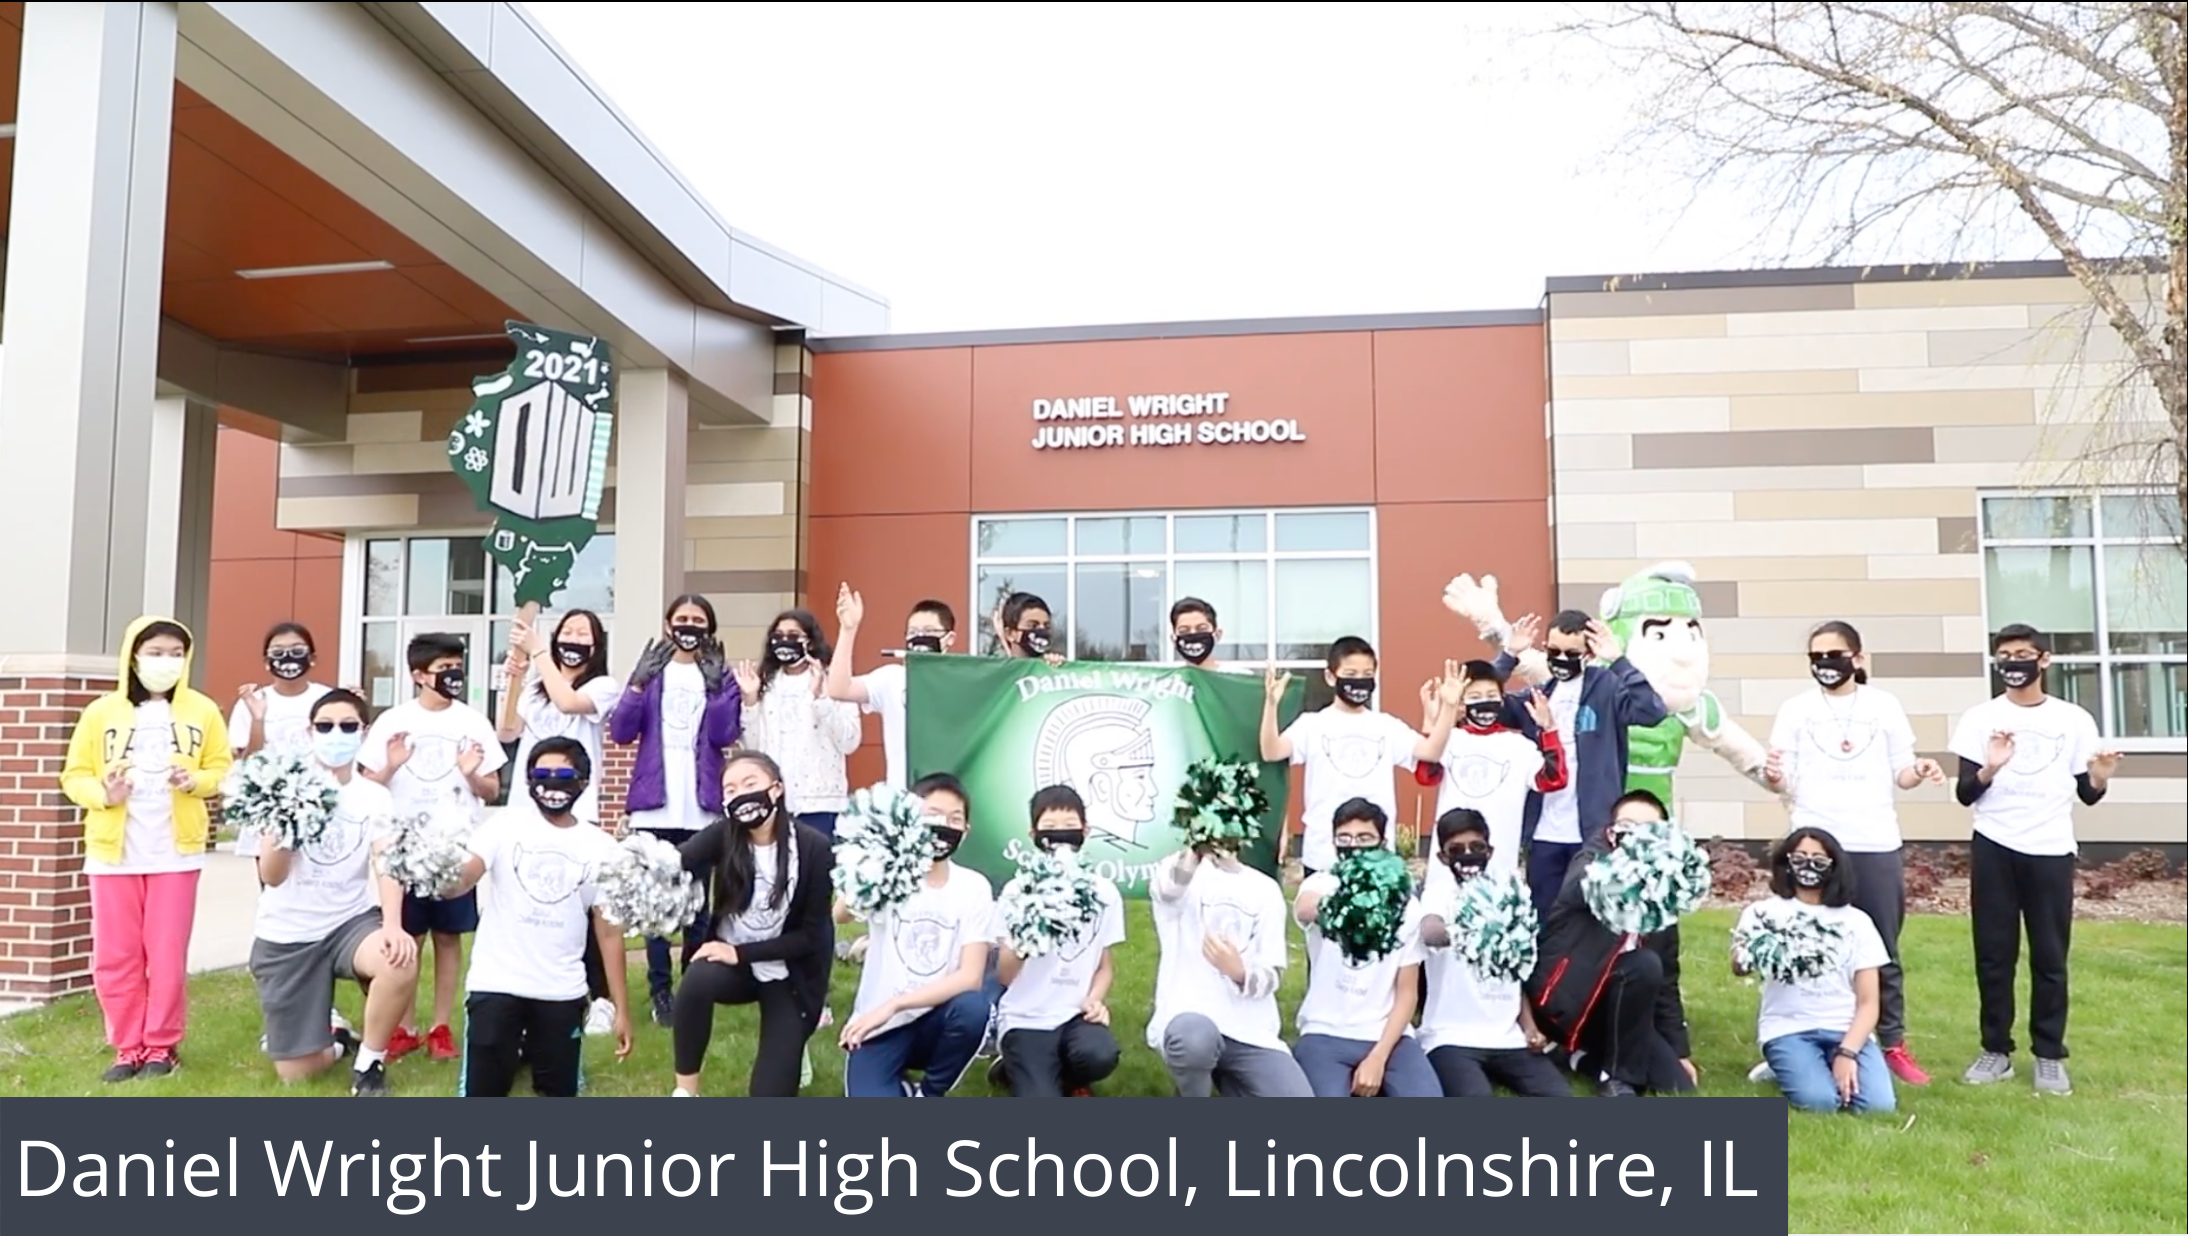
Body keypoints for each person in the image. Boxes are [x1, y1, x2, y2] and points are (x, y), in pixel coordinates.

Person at [1761, 620, 1945, 1086]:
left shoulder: (1884, 706)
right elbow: (1783, 777)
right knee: (1804, 943)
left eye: (1834, 654)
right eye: (1816, 657)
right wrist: (1774, 774)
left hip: (1875, 840)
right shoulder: (1796, 709)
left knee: (1881, 946)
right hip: (1814, 842)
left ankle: (1891, 1044)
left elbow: (1901, 771)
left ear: (1858, 658)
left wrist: (1919, 771)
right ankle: (1794, 1039)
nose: (1825, 664)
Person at [61, 616, 233, 1082]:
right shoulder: (101, 712)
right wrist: (104, 795)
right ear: (133, 655)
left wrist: (194, 781)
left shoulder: (201, 710)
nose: (166, 662)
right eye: (155, 653)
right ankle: (126, 1047)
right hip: (113, 855)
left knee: (166, 954)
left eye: (175, 654)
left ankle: (162, 1046)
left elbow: (221, 766)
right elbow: (73, 775)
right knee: (115, 956)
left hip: (176, 854)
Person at [1951, 623, 2119, 1097]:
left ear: (2044, 661)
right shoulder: (1980, 718)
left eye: (2023, 654)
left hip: (2049, 849)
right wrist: (1991, 766)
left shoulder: (2073, 720)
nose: (2013, 663)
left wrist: (2101, 776)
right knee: (1994, 954)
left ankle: (2048, 1055)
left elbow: (2088, 793)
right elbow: (1965, 793)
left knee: (2049, 956)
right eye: (2005, 655)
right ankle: (1995, 1051)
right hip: (1994, 846)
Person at [440, 738, 633, 1096]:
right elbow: (465, 876)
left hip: (562, 991)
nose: (553, 783)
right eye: (542, 774)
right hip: (496, 985)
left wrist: (621, 1007)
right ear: (528, 781)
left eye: (564, 775)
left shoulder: (602, 846)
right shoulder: (504, 825)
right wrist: (438, 871)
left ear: (583, 781)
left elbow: (608, 932)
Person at [247, 690, 417, 1095]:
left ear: (364, 732)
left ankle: (369, 1064)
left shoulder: (375, 795)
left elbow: (388, 863)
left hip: (349, 924)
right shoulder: (285, 788)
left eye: (347, 726)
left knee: (399, 959)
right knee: (297, 1073)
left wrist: (393, 925)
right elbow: (272, 876)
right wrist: (287, 826)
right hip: (288, 934)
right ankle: (338, 1036)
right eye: (325, 726)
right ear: (310, 731)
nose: (335, 734)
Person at [357, 632, 506, 1061]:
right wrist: (393, 765)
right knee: (407, 938)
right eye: (444, 669)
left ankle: (441, 1027)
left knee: (447, 938)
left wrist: (472, 774)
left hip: (454, 851)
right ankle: (403, 1027)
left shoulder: (473, 721)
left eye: (457, 666)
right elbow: (367, 787)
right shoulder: (392, 722)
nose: (453, 675)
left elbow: (491, 788)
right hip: (402, 852)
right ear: (419, 675)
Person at [608, 594, 744, 1027]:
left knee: (698, 904)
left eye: (698, 620)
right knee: (655, 905)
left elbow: (725, 735)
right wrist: (635, 686)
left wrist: (718, 690)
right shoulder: (651, 672)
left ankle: (694, 984)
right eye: (682, 619)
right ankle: (660, 991)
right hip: (654, 807)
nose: (689, 625)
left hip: (701, 806)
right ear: (668, 625)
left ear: (710, 628)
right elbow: (622, 731)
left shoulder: (720, 674)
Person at [670, 751, 836, 1097]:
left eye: (750, 783)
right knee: (697, 977)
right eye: (730, 789)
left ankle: (791, 1050)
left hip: (789, 975)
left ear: (776, 789)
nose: (740, 794)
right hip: (735, 972)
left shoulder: (815, 848)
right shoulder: (723, 835)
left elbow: (809, 937)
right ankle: (686, 1093)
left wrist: (739, 953)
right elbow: (674, 864)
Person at [497, 608, 622, 1036]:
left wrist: (537, 655)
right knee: (532, 904)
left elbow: (569, 702)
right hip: (527, 811)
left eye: (582, 633)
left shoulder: (603, 687)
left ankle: (601, 998)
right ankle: (533, 994)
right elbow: (508, 730)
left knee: (586, 911)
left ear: (596, 644)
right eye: (566, 630)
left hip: (577, 813)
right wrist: (513, 677)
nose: (572, 638)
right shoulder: (537, 684)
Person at [1495, 611, 1669, 916]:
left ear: (1588, 653)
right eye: (1553, 651)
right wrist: (1509, 654)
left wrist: (1618, 660)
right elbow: (1483, 701)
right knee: (1546, 920)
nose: (1561, 659)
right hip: (1544, 833)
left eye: (1571, 653)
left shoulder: (1607, 688)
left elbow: (1652, 710)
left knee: (1593, 919)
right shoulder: (1539, 695)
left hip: (1593, 832)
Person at [1526, 790, 1697, 1097]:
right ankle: (1617, 1079)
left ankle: (1579, 1059)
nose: (1635, 837)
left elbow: (1668, 980)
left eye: (1647, 831)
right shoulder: (1591, 862)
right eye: (1626, 826)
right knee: (1644, 963)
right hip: (1564, 1002)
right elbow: (1585, 884)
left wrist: (1678, 1050)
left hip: (1621, 1012)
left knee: (1677, 1084)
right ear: (1611, 830)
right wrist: (1633, 866)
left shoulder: (1663, 894)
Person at [837, 773, 997, 1097]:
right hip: (878, 1026)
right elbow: (839, 914)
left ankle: (930, 1092)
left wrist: (896, 1004)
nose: (943, 825)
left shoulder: (973, 887)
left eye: (954, 819)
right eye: (932, 815)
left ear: (965, 832)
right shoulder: (889, 872)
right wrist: (874, 861)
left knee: (973, 1008)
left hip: (935, 1019)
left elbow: (970, 977)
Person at [1259, 640, 1463, 877]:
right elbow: (1271, 751)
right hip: (1324, 855)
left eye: (1367, 674)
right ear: (1330, 676)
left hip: (1379, 855)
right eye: (1350, 673)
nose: (1359, 680)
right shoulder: (1312, 724)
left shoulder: (1386, 725)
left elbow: (1430, 752)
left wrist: (1449, 708)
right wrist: (1271, 705)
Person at [1734, 828, 1897, 1115]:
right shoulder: (1763, 913)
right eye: (1800, 858)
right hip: (1788, 1028)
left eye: (1819, 859)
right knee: (1820, 1103)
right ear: (1786, 862)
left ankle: (1813, 1065)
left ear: (1835, 866)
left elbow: (1870, 1002)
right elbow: (1738, 965)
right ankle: (1782, 1065)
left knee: (1878, 1107)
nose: (1808, 866)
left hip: (1844, 1028)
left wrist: (1847, 1052)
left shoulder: (1857, 922)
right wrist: (1750, 954)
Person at [1148, 825, 1313, 1098]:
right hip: (1190, 1021)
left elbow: (1272, 973)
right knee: (1194, 1043)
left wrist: (1240, 973)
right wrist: (1195, 849)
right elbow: (1168, 890)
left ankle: (1233, 1083)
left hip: (1249, 1029)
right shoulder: (1180, 874)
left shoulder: (1265, 889)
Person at [1290, 799, 1440, 1098]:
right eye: (1344, 839)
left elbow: (1407, 992)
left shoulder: (1406, 904)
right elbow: (1306, 909)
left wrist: (1378, 1057)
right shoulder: (1322, 883)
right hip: (1324, 1030)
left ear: (1382, 843)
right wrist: (1352, 900)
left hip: (1386, 1035)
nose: (1354, 847)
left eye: (1364, 839)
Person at [1417, 809, 1569, 1098]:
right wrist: (1476, 931)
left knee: (1559, 1096)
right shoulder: (1439, 893)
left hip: (1508, 1038)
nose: (1468, 854)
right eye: (1457, 850)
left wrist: (1529, 1027)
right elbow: (1430, 931)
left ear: (1490, 851)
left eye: (1477, 847)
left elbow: (1513, 973)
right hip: (1450, 1037)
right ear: (1442, 857)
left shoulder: (1510, 895)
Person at [994, 786, 1126, 1097]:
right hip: (1026, 1018)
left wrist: (1094, 1000)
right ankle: (1015, 1064)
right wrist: (1027, 939)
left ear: (1085, 830)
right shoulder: (1017, 891)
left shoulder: (1104, 892)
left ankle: (1068, 1074)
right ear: (1033, 833)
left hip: (1074, 1016)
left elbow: (1104, 966)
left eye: (1069, 826)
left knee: (1100, 1056)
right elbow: (1004, 974)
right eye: (1050, 829)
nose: (1061, 835)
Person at [1417, 659, 1567, 904]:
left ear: (1502, 699)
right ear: (1463, 702)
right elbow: (1426, 775)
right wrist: (1432, 725)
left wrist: (1548, 729)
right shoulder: (1450, 739)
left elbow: (1554, 780)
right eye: (1475, 696)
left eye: (1491, 694)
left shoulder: (1518, 746)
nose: (1484, 702)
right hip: (1448, 861)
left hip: (1499, 861)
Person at [734, 609, 862, 840]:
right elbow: (753, 748)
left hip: (821, 806)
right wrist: (750, 701)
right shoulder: (765, 684)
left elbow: (850, 741)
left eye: (793, 635)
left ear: (810, 642)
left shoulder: (834, 680)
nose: (785, 642)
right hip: (772, 803)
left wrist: (821, 699)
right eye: (779, 635)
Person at [824, 586, 959, 791]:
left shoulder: (964, 678)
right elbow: (838, 689)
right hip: (902, 798)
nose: (920, 636)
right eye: (913, 632)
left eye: (929, 631)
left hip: (950, 797)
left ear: (949, 638)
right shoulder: (891, 678)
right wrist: (848, 629)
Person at [229, 622, 335, 759]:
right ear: (267, 662)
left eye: (297, 651)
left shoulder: (330, 699)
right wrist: (258, 720)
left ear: (312, 658)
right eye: (278, 652)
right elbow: (243, 761)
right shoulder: (250, 702)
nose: (288, 656)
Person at [1169, 597, 1252, 674]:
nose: (1193, 634)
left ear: (1217, 635)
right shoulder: (1167, 684)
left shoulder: (1239, 678)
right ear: (1173, 639)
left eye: (1202, 629)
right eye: (1184, 631)